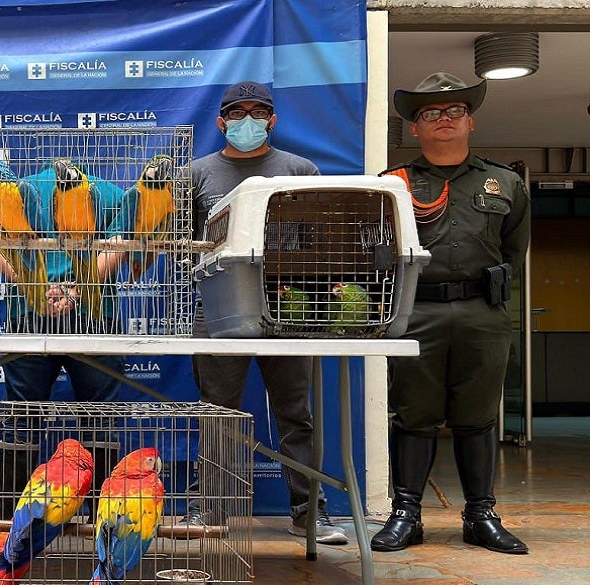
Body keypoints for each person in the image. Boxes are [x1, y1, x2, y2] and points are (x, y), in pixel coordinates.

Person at [372, 72, 530, 555]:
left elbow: (513, 249)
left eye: (454, 111)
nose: (444, 119)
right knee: (414, 413)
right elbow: (377, 249)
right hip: (417, 311)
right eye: (430, 114)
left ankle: (481, 515)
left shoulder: (504, 183)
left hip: (483, 313)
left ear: (471, 121)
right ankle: (406, 514)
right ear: (414, 129)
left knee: (477, 416)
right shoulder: (394, 185)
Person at [188, 81, 348, 545]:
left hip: (288, 306)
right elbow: (183, 243)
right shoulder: (197, 174)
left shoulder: (300, 169)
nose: (248, 121)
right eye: (238, 114)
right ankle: (207, 509)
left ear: (273, 121)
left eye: (258, 113)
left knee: (295, 413)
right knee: (217, 413)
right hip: (219, 309)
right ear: (221, 123)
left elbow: (324, 239)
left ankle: (309, 511)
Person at [0, 162, 127, 519]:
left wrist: (33, 288)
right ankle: (102, 515)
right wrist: (77, 291)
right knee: (100, 415)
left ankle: (8, 517)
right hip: (95, 313)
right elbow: (120, 247)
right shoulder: (110, 193)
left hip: (31, 312)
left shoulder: (10, 191)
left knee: (22, 413)